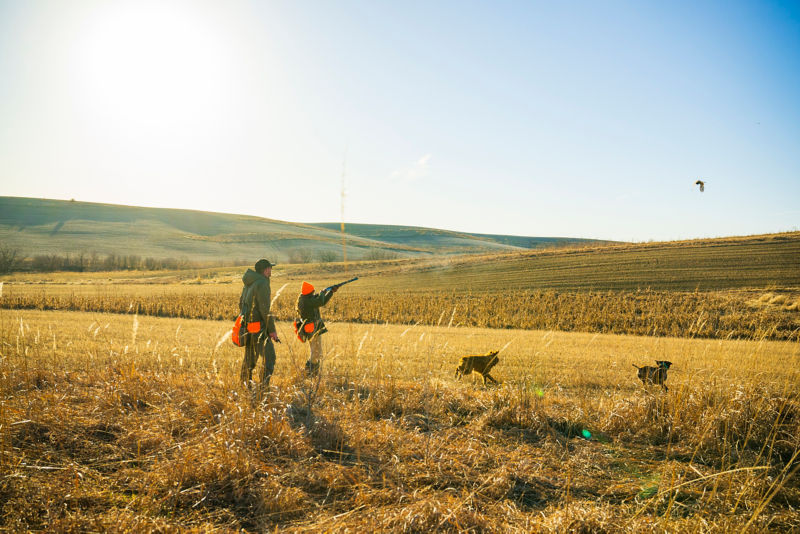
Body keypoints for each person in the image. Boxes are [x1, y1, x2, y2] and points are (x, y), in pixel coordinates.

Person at [239, 259, 280, 391]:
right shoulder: (262, 283)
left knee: (249, 360)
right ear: (265, 270)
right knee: (270, 358)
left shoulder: (249, 283)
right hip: (259, 328)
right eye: (270, 268)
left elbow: (241, 304)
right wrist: (272, 330)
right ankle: (263, 388)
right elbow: (264, 309)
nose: (271, 271)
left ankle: (244, 387)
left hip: (248, 326)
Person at [296, 281, 338, 376]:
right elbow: (320, 301)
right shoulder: (307, 301)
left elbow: (321, 301)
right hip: (312, 329)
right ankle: (309, 372)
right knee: (316, 352)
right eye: (313, 292)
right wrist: (323, 293)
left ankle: (312, 373)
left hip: (314, 328)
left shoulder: (307, 299)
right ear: (309, 293)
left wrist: (331, 292)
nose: (314, 293)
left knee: (317, 352)